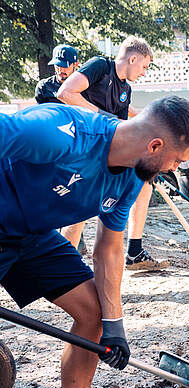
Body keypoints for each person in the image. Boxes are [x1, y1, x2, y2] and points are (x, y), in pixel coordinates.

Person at [0, 97, 189, 388]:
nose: (172, 169)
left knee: (94, 313)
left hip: (31, 237)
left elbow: (108, 249)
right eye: (175, 160)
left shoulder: (130, 181)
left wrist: (115, 325)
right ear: (154, 145)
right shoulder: (60, 133)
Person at [57, 36, 166, 271]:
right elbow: (65, 93)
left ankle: (134, 250)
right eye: (144, 66)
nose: (145, 72)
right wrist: (103, 116)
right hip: (81, 146)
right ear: (133, 58)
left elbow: (122, 124)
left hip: (103, 151)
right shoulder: (100, 66)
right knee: (79, 212)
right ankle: (59, 264)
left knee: (144, 184)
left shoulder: (125, 89)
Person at [35, 44, 89, 255]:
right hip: (52, 147)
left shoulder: (83, 88)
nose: (60, 70)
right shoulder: (44, 87)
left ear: (76, 65)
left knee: (74, 192)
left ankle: (76, 240)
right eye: (57, 66)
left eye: (65, 66)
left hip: (76, 148)